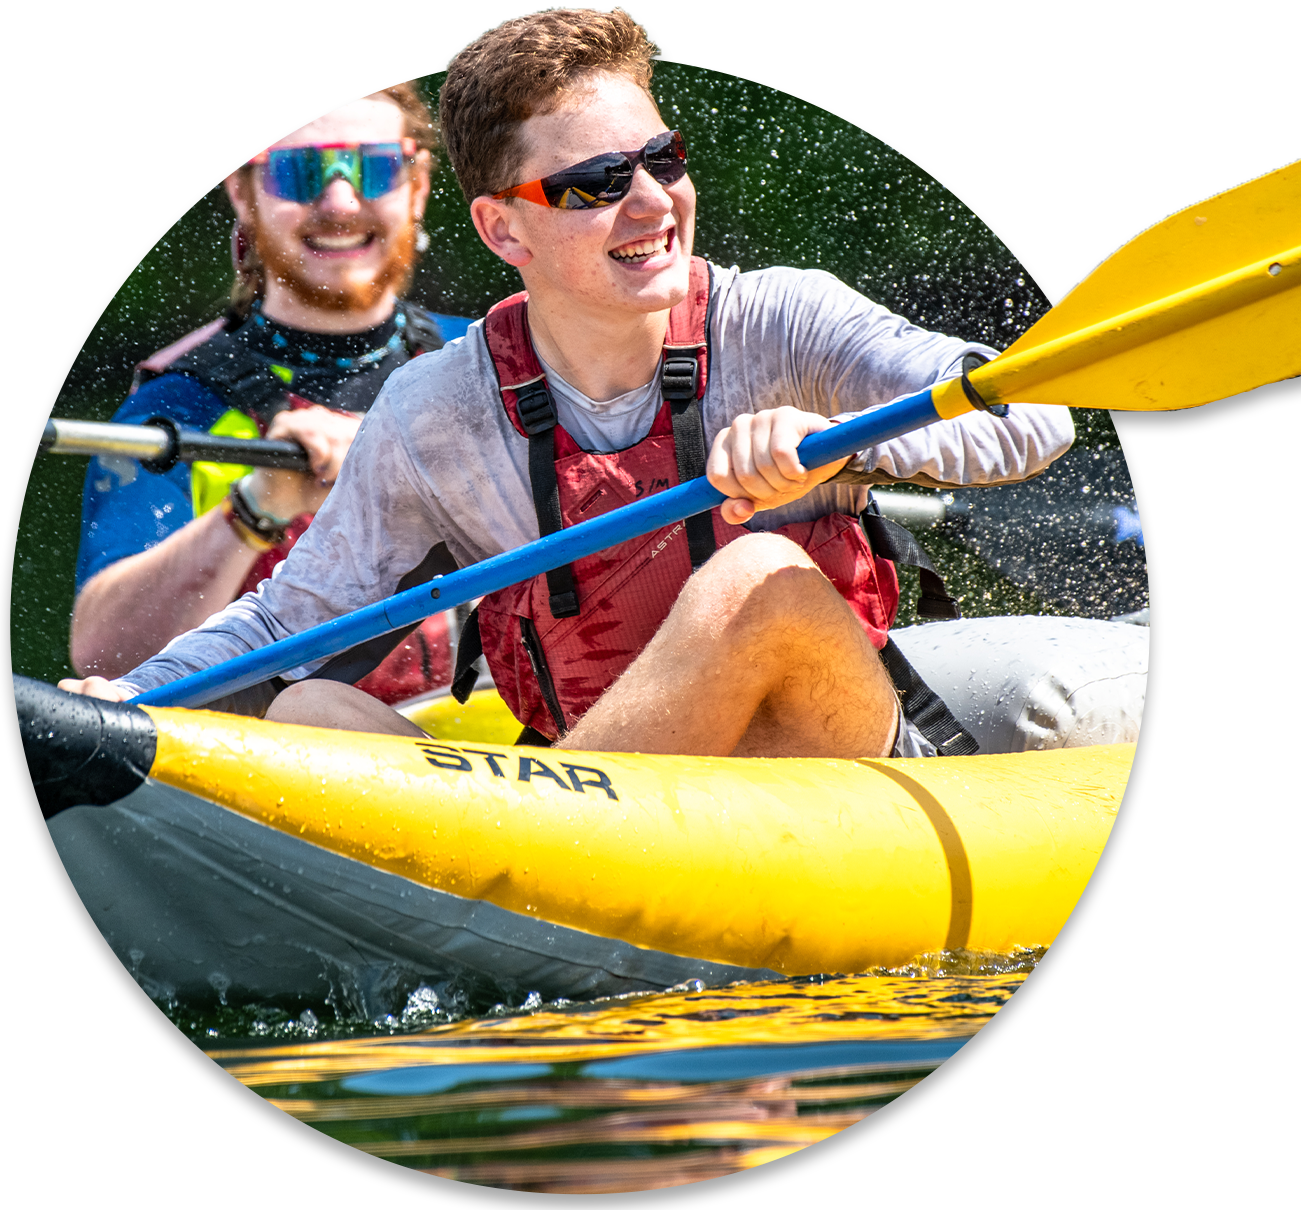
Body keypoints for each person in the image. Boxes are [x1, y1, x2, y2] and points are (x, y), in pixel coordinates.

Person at [63, 8, 1076, 760]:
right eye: (593, 185)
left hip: (826, 763)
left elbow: (1036, 416)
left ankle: (552, 854)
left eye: (661, 159)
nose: (651, 201)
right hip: (587, 791)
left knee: (752, 579)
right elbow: (290, 619)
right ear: (504, 229)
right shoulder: (437, 412)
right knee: (305, 708)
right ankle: (542, 873)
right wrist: (118, 703)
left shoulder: (785, 319)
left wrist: (847, 439)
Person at [68, 82, 470, 712]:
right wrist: (258, 508)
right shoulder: (174, 409)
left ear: (417, 186)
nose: (339, 203)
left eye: (374, 167)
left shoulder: (491, 360)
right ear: (242, 191)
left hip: (487, 750)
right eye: (297, 171)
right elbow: (106, 659)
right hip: (270, 762)